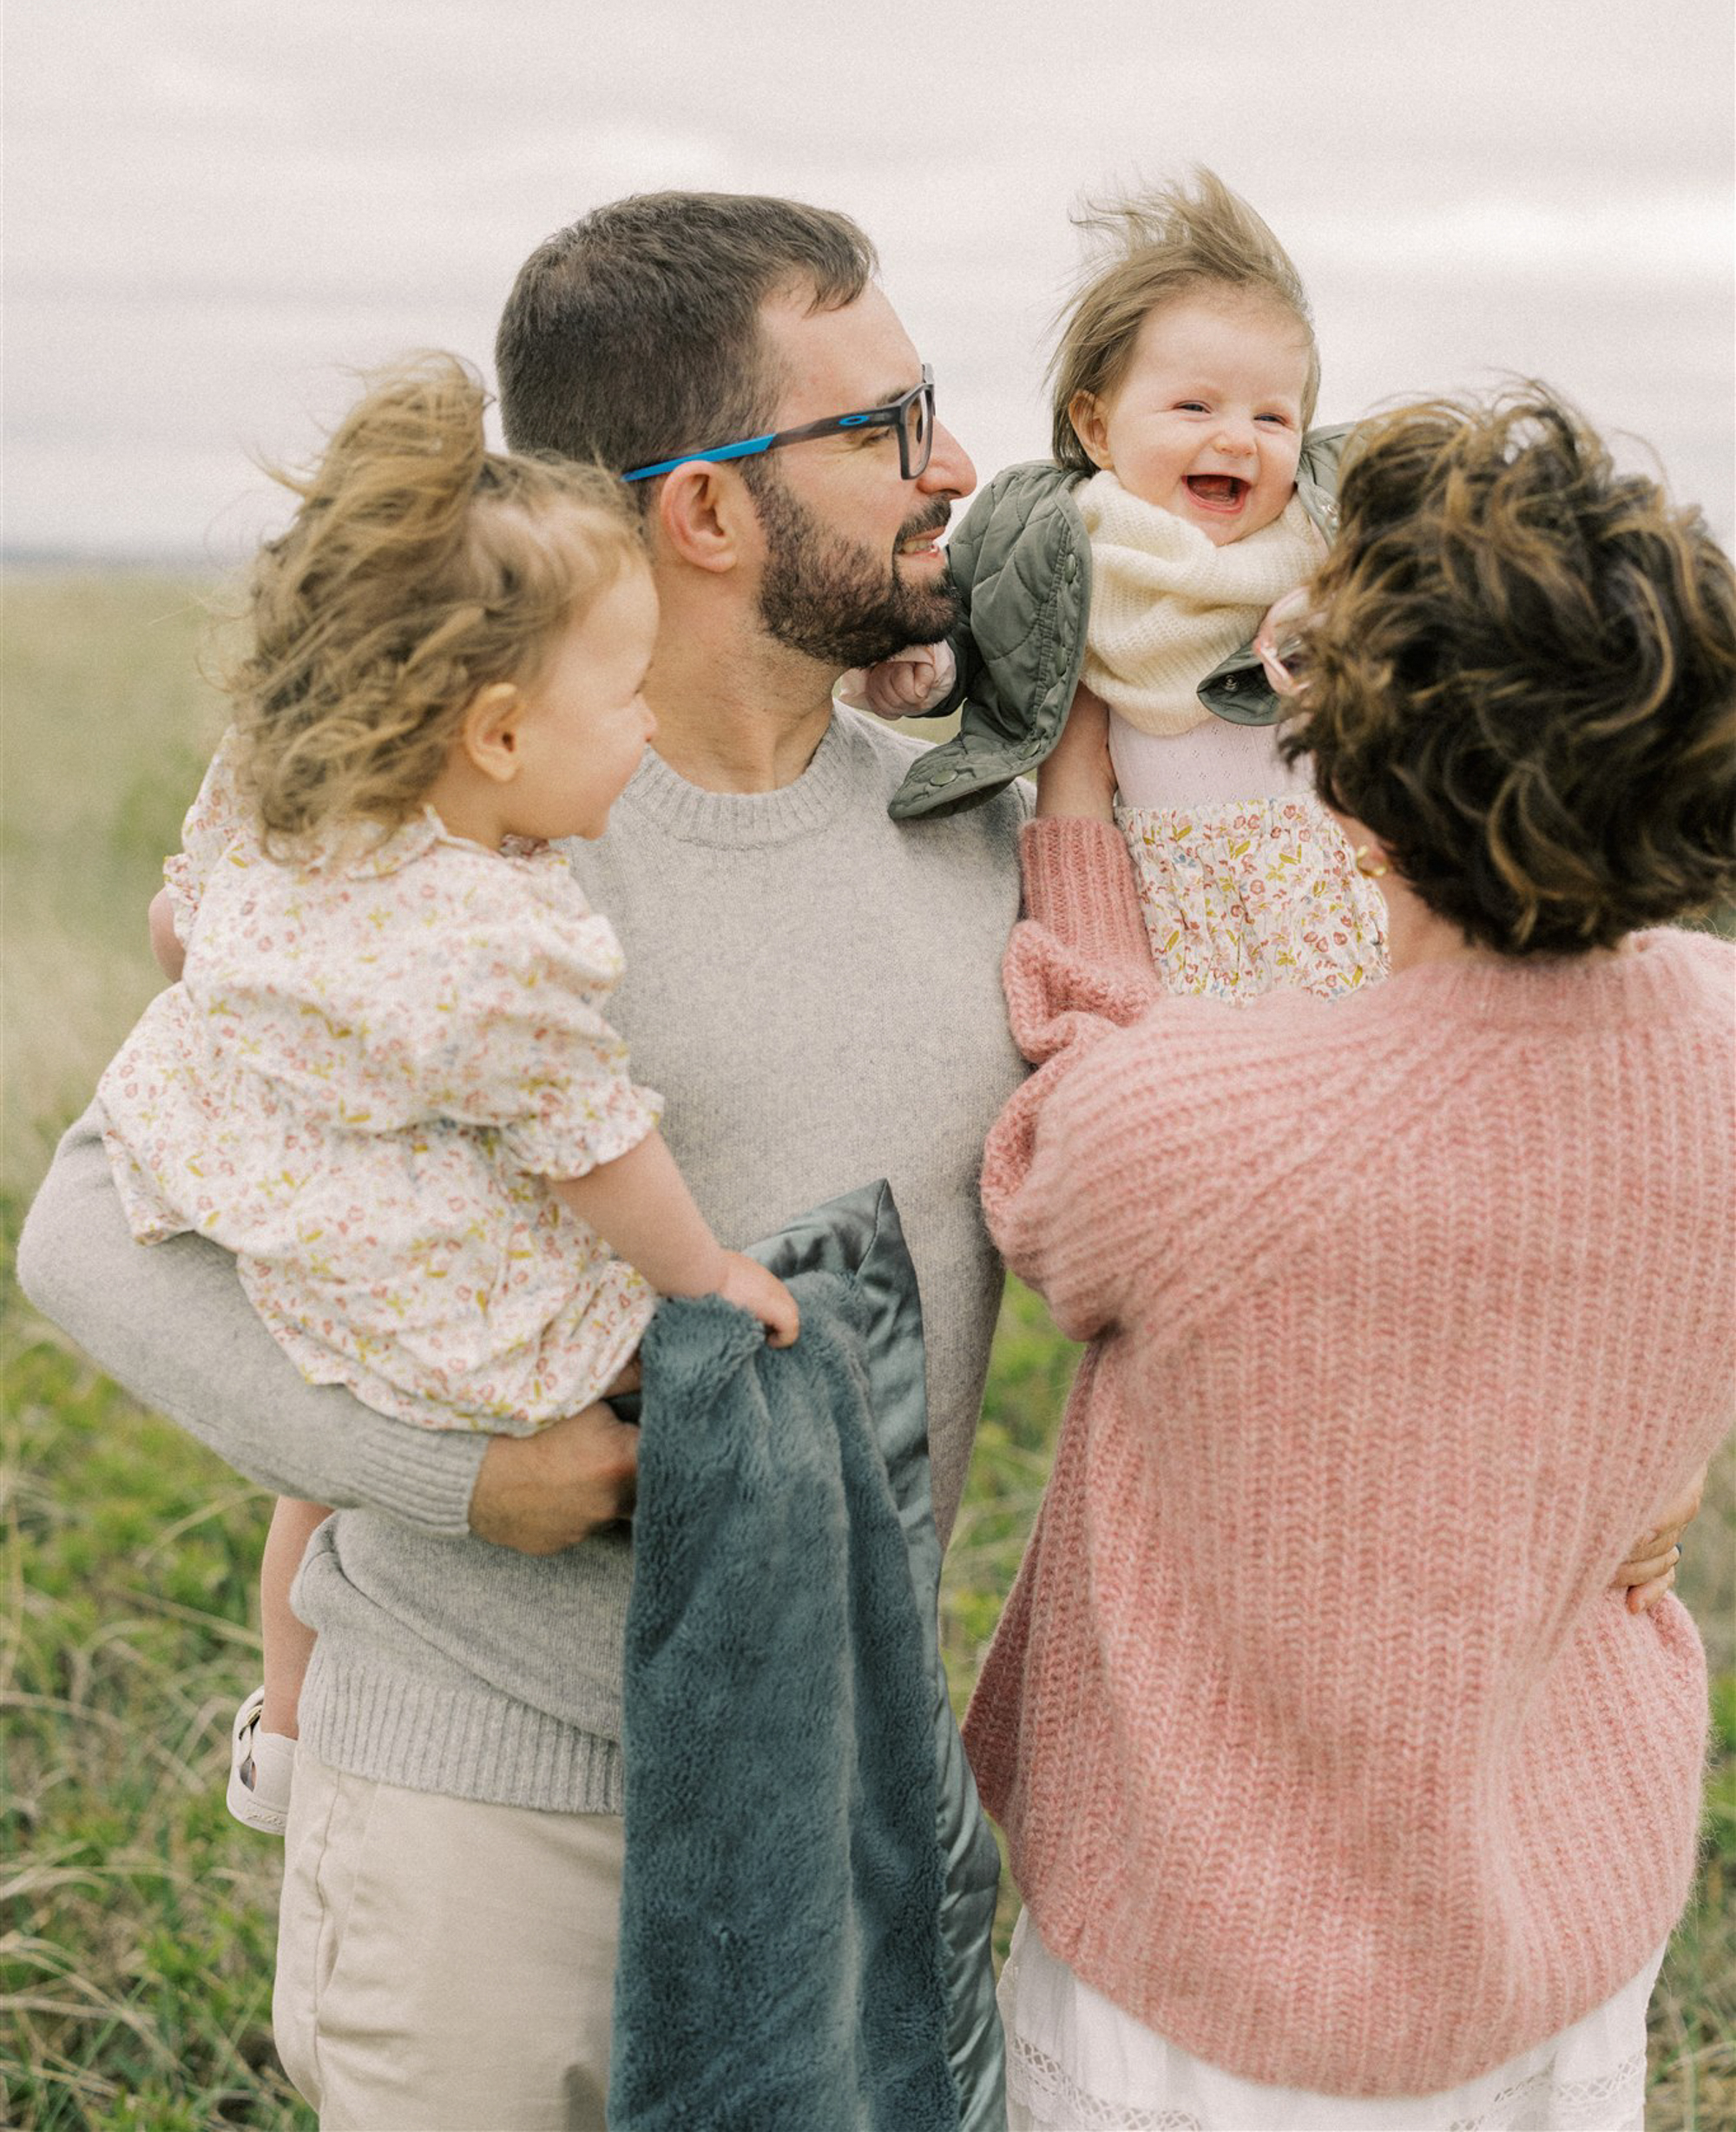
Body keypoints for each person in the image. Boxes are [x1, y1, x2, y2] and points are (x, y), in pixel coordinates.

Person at [18, 194, 1029, 2130]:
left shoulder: (976, 822)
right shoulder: (446, 841)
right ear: (707, 507)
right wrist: (463, 1479)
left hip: (829, 1811)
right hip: (485, 1817)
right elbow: (83, 1232)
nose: (954, 464)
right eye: (890, 424)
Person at [963, 386, 1735, 2132]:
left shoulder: (1200, 1125)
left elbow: (1053, 1168)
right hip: (1570, 1938)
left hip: (1214, 1992)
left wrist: (1075, 811)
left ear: (1359, 790)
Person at [95, 358, 798, 1839]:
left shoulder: (308, 803)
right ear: (497, 735)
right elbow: (596, 1143)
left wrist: (251, 1011)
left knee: (317, 1474)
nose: (648, 727)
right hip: (403, 1250)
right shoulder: (495, 941)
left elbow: (181, 920)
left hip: (250, 1179)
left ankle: (286, 1726)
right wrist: (706, 1274)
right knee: (616, 1362)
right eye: (625, 694)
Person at [851, 170, 1387, 1000]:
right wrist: (937, 663)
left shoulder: (1325, 549)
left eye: (1273, 417)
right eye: (1195, 407)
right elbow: (987, 610)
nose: (1238, 439)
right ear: (1097, 428)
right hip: (1187, 956)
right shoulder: (1065, 560)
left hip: (1359, 932)